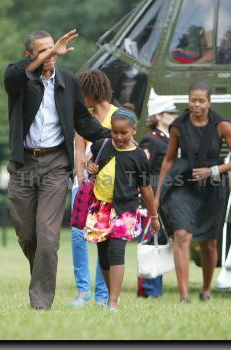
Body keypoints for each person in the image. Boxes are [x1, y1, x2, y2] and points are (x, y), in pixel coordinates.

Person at [4, 30, 110, 310]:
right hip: (23, 165)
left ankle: (40, 302)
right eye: (43, 51)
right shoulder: (20, 81)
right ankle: (41, 274)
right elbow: (13, 76)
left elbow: (83, 122)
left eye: (53, 49)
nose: (52, 55)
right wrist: (47, 56)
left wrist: (114, 137)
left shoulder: (68, 82)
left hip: (55, 165)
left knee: (48, 238)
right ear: (29, 55)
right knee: (28, 235)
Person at [155, 81, 231, 303]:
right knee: (181, 235)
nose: (196, 105)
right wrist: (157, 195)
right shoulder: (178, 125)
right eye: (192, 100)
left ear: (209, 102)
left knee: (209, 242)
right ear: (188, 101)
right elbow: (168, 160)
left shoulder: (221, 125)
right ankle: (184, 295)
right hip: (184, 184)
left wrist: (213, 170)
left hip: (213, 187)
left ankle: (206, 289)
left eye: (201, 101)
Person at [85, 108, 161, 312]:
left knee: (116, 251)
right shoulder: (101, 145)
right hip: (100, 207)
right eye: (114, 132)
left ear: (134, 130)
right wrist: (89, 165)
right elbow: (89, 163)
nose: (118, 137)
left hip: (125, 208)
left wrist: (153, 216)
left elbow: (146, 189)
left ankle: (112, 303)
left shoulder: (138, 156)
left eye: (123, 133)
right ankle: (113, 296)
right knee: (103, 255)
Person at [70, 70, 118, 307]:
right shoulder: (82, 117)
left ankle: (101, 294)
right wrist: (80, 180)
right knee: (78, 236)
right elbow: (79, 150)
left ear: (91, 92)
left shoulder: (118, 116)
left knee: (103, 238)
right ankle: (82, 291)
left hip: (108, 189)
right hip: (84, 185)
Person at [137, 97, 179, 298]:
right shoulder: (152, 139)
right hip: (153, 196)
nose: (174, 116)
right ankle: (148, 289)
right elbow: (143, 169)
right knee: (151, 241)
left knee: (160, 240)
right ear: (159, 116)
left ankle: (155, 289)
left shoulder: (169, 138)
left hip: (167, 195)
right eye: (170, 113)